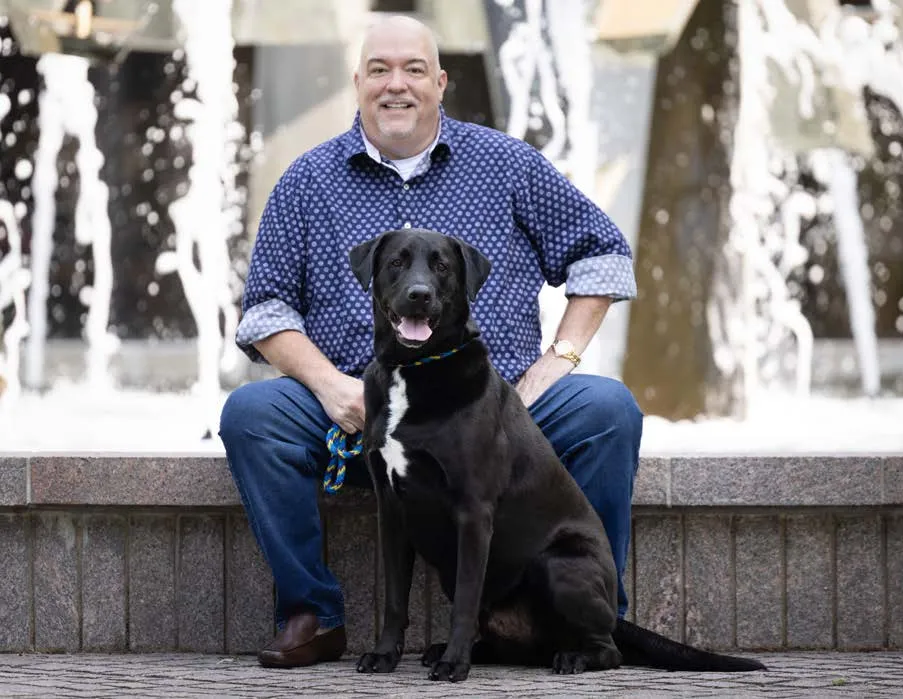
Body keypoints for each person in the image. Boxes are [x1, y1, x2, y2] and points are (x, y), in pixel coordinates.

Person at [219, 14, 642, 669]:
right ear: (358, 81)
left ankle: (591, 618)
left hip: (492, 410)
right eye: (380, 70)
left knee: (607, 410)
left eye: (414, 69)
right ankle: (314, 615)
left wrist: (558, 360)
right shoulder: (306, 181)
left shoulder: (507, 165)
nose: (397, 85)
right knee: (251, 414)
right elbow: (266, 307)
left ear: (440, 83)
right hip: (356, 405)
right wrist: (331, 386)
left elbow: (603, 254)